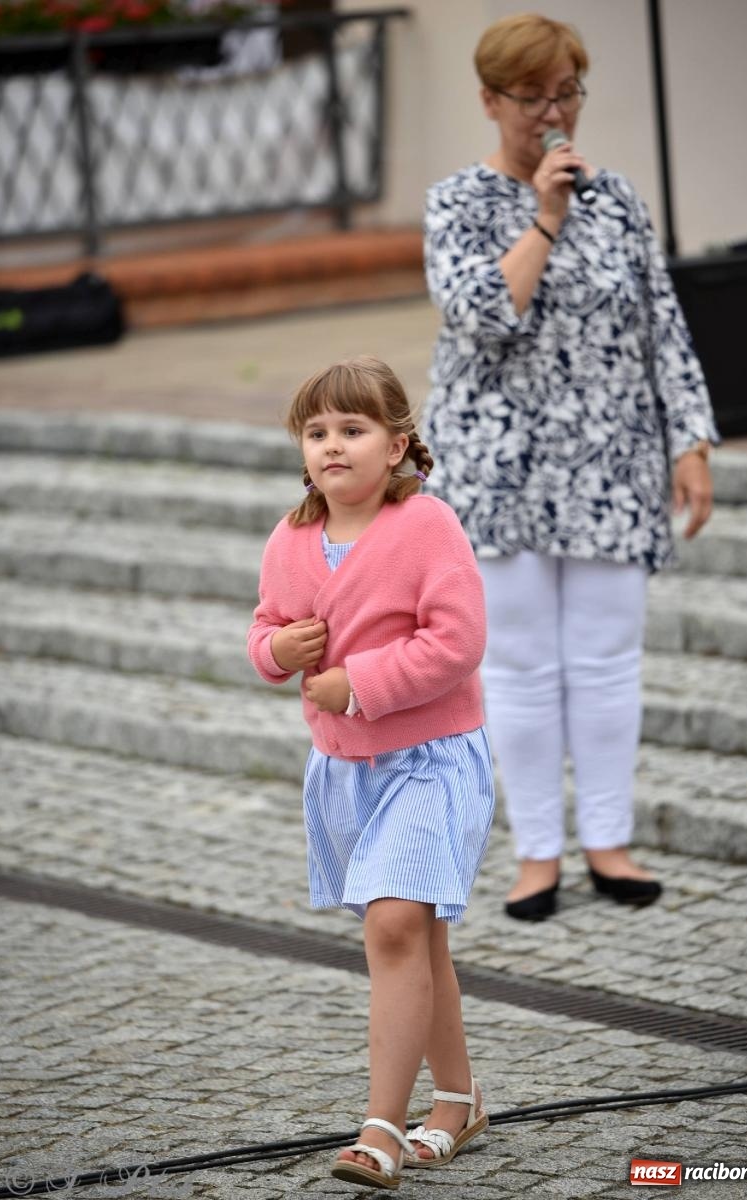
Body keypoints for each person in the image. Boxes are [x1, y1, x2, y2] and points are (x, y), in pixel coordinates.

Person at [422, 13, 719, 922]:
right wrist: (545, 216)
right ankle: (536, 854)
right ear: (489, 101)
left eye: (568, 92)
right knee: (516, 666)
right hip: (497, 470)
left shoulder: (618, 198)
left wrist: (689, 438)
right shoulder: (456, 203)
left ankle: (608, 842)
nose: (554, 114)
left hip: (609, 460)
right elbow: (483, 313)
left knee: (603, 661)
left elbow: (659, 320)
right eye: (533, 96)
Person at [247, 356, 494, 1189]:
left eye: (351, 430)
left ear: (395, 446)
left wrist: (362, 684)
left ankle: (379, 1128)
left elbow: (457, 641)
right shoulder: (289, 538)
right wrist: (277, 651)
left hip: (429, 762)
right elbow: (265, 631)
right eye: (316, 432)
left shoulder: (427, 526)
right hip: (346, 774)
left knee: (391, 927)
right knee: (418, 940)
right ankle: (457, 1100)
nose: (331, 446)